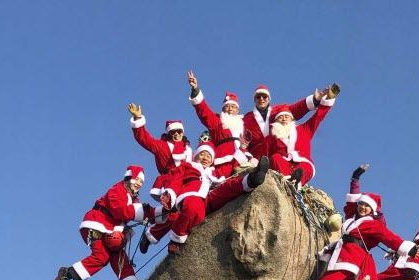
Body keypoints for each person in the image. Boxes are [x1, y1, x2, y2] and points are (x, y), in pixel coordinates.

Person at [296, 164, 413, 280]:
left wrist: (409, 249)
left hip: (350, 260)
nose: (363, 208)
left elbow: (389, 237)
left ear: (372, 210)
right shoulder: (353, 218)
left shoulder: (373, 224)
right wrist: (355, 178)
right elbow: (351, 200)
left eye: (366, 206)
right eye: (361, 205)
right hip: (340, 256)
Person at [53, 165, 162, 280]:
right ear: (128, 177)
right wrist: (143, 214)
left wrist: (163, 211)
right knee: (103, 254)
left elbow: (141, 211)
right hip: (97, 224)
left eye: (141, 182)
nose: (139, 183)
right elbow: (122, 211)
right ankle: (67, 273)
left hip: (111, 231)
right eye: (137, 179)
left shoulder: (134, 199)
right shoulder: (117, 190)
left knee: (116, 252)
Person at [143, 142, 271, 253]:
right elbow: (175, 178)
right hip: (190, 196)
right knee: (194, 208)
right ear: (196, 156)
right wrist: (170, 193)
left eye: (209, 155)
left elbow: (230, 165)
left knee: (227, 187)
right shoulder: (188, 166)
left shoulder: (213, 172)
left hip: (208, 199)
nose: (205, 158)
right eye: (202, 154)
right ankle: (176, 239)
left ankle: (252, 179)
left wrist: (242, 149)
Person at [188, 71, 313, 152]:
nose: (230, 109)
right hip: (233, 155)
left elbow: (294, 110)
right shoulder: (226, 121)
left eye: (233, 106)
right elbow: (204, 112)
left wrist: (316, 99)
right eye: (227, 107)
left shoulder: (273, 113)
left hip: (269, 151)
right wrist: (195, 90)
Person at [254, 86, 338, 185]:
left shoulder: (304, 129)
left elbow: (318, 117)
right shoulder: (271, 137)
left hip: (302, 162)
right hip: (283, 164)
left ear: (292, 120)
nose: (284, 119)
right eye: (280, 117)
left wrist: (328, 100)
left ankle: (296, 181)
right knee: (275, 157)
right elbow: (263, 152)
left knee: (304, 167)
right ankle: (288, 181)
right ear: (275, 121)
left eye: (287, 117)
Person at [128, 103, 193, 204]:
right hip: (170, 181)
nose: (176, 134)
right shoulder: (161, 146)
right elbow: (144, 139)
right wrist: (138, 118)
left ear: (183, 132)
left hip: (188, 179)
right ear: (169, 134)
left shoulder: (187, 149)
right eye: (173, 132)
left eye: (179, 131)